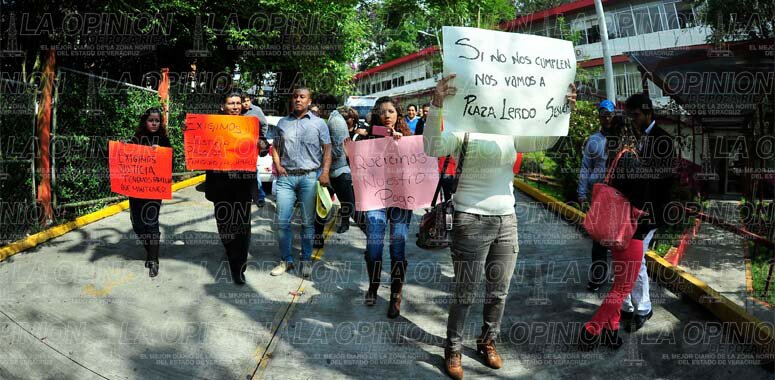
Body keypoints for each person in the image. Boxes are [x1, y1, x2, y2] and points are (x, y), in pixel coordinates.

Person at [426, 74, 576, 379]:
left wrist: (564, 110)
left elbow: (545, 139)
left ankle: (487, 341)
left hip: (507, 219)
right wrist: (436, 105)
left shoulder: (510, 130)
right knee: (465, 291)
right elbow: (432, 147)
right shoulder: (462, 130)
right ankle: (453, 349)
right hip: (469, 218)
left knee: (499, 291)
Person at [578, 93, 676, 350]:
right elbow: (641, 203)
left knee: (619, 284)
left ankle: (611, 332)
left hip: (616, 230)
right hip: (632, 231)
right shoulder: (634, 162)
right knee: (621, 289)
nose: (637, 124)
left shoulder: (617, 159)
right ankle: (592, 330)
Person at [359, 96, 413, 319]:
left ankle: (395, 295)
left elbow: (419, 166)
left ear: (398, 114)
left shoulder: (409, 139)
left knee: (397, 249)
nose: (387, 115)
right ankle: (373, 286)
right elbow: (359, 163)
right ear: (377, 116)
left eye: (391, 111)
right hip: (375, 199)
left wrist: (401, 144)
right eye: (383, 112)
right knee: (373, 249)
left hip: (401, 200)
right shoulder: (368, 138)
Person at [270, 88, 332, 279]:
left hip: (309, 178)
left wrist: (325, 173)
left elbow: (327, 149)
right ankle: (286, 260)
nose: (298, 99)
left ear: (309, 101)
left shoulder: (319, 124)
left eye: (302, 97)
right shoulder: (283, 123)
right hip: (286, 178)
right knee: (282, 221)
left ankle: (305, 260)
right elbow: (276, 148)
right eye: (295, 97)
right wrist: (278, 165)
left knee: (307, 223)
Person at [203, 91, 258, 285]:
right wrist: (189, 131)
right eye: (230, 103)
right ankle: (231, 252)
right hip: (220, 185)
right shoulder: (210, 126)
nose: (235, 106)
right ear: (222, 106)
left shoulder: (250, 125)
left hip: (242, 184)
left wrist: (262, 145)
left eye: (237, 103)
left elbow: (263, 145)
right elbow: (197, 143)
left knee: (242, 227)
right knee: (224, 225)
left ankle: (238, 267)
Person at [128, 107, 171, 278]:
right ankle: (150, 250)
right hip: (136, 189)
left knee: (151, 223)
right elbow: (126, 161)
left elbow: (170, 165)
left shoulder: (164, 140)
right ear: (145, 121)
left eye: (157, 121)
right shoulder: (136, 138)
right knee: (137, 224)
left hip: (154, 190)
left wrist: (160, 153)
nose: (154, 123)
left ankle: (153, 259)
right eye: (151, 120)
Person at [578, 99, 616, 292]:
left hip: (618, 196)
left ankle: (620, 280)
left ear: (614, 116)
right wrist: (582, 193)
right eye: (603, 114)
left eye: (609, 114)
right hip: (599, 195)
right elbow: (585, 167)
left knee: (618, 238)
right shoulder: (593, 140)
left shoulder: (623, 139)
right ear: (599, 117)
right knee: (599, 238)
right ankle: (598, 276)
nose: (606, 118)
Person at [311, 95, 357, 248]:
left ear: (324, 107)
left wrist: (321, 156)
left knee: (350, 206)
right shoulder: (332, 119)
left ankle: (371, 236)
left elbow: (338, 150)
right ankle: (319, 237)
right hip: (332, 171)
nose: (317, 109)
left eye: (318, 106)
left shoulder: (335, 121)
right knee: (324, 205)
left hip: (338, 172)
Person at [242, 92, 270, 207]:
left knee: (254, 170)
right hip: (238, 148)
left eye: (248, 100)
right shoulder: (238, 111)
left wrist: (260, 138)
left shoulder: (256, 110)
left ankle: (260, 197)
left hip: (252, 147)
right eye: (244, 101)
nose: (246, 103)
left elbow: (264, 124)